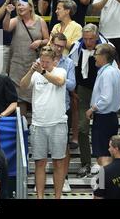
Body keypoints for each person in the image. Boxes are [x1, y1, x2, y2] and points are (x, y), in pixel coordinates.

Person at [69, 23, 114, 177]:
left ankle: (104, 165)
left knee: (102, 132)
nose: (88, 42)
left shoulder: (106, 47)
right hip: (84, 90)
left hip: (102, 93)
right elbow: (72, 67)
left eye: (91, 39)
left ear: (97, 36)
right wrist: (74, 89)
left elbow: (115, 69)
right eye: (86, 39)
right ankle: (86, 163)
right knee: (82, 128)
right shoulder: (76, 47)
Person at [21, 47, 67, 199]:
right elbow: (23, 86)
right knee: (39, 162)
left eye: (47, 62)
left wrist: (42, 72)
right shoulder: (36, 73)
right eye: (42, 61)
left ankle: (57, 197)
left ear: (55, 61)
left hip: (58, 123)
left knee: (58, 163)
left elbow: (59, 82)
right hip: (38, 123)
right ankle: (40, 197)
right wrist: (31, 71)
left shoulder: (60, 71)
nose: (44, 64)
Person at [3, 0, 49, 116]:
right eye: (18, 5)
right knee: (19, 98)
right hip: (17, 65)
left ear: (30, 6)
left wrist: (40, 42)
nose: (20, 7)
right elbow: (6, 27)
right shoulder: (16, 20)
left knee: (36, 95)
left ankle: (37, 123)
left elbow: (48, 40)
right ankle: (23, 127)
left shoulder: (40, 21)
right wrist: (8, 13)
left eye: (23, 4)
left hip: (34, 64)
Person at [87, 44, 120, 174]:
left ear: (104, 56)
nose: (94, 57)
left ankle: (103, 188)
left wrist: (93, 109)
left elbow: (106, 98)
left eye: (96, 54)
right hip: (112, 117)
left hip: (103, 117)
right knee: (108, 153)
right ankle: (106, 187)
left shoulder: (107, 73)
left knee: (103, 154)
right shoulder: (116, 71)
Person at [49, 33, 76, 193]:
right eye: (56, 45)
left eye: (62, 46)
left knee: (63, 145)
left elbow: (72, 85)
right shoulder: (42, 60)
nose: (59, 49)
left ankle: (63, 178)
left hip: (62, 108)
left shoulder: (69, 62)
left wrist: (58, 79)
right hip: (45, 108)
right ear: (51, 43)